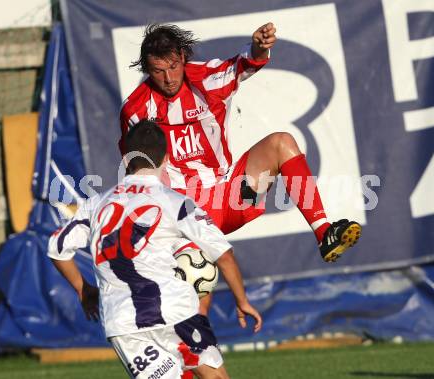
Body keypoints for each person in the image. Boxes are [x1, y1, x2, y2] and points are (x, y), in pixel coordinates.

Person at [119, 22, 362, 265]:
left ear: (183, 57)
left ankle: (324, 233)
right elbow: (136, 172)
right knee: (197, 282)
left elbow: (243, 65)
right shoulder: (135, 110)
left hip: (230, 196)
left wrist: (258, 48)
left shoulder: (208, 80)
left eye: (173, 67)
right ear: (147, 70)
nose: (169, 78)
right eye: (158, 71)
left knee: (281, 143)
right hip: (184, 214)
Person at [48, 119, 262, 379]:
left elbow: (58, 248)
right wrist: (242, 301)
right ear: (166, 159)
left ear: (126, 158)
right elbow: (225, 257)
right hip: (176, 310)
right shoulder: (177, 202)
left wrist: (83, 289)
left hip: (124, 323)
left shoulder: (95, 204)